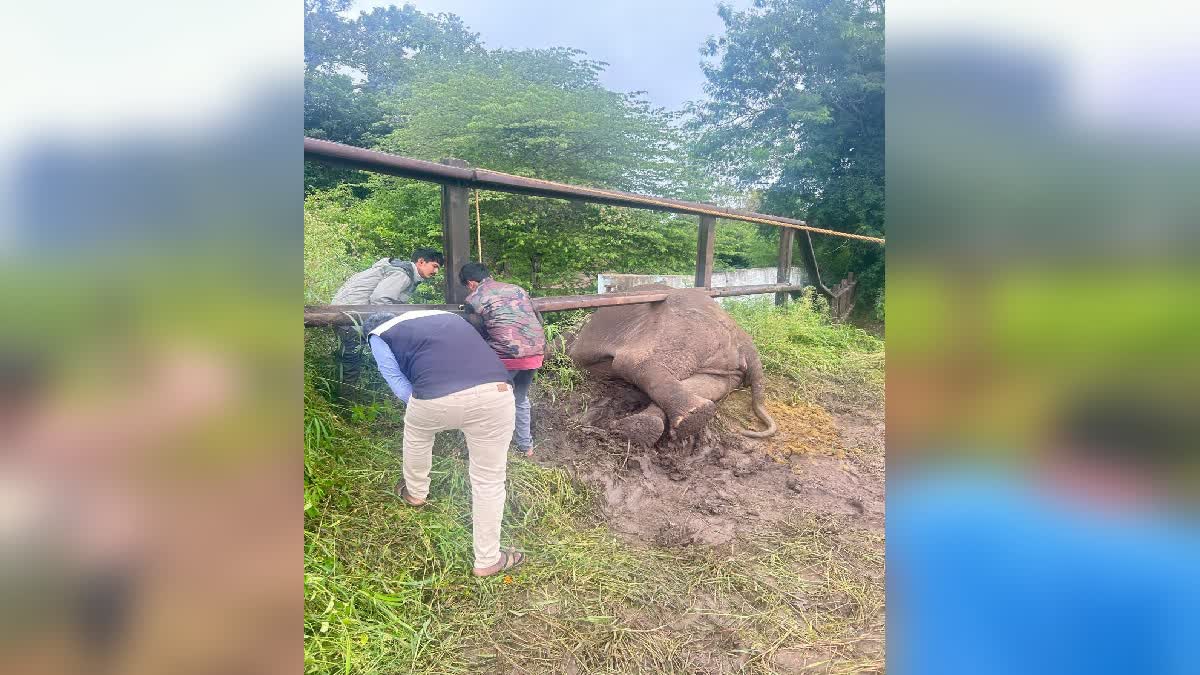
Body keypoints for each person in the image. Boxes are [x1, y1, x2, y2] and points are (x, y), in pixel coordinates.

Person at [364, 309, 526, 577]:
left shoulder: (378, 334)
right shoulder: (447, 316)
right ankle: (487, 560)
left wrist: (430, 407)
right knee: (489, 480)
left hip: (435, 397)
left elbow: (397, 383)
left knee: (417, 434)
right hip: (497, 392)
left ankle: (416, 492)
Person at [330, 248, 444, 400]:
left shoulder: (400, 271)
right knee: (350, 359)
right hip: (350, 317)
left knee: (351, 358)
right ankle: (343, 403)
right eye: (435, 266)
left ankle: (346, 398)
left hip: (349, 313)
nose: (436, 271)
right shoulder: (403, 274)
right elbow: (380, 300)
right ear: (421, 262)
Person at [458, 262, 547, 457]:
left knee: (489, 400)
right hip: (535, 353)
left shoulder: (474, 298)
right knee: (520, 399)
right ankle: (526, 447)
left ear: (471, 283)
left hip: (506, 357)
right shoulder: (517, 289)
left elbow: (477, 333)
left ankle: (491, 448)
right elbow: (538, 320)